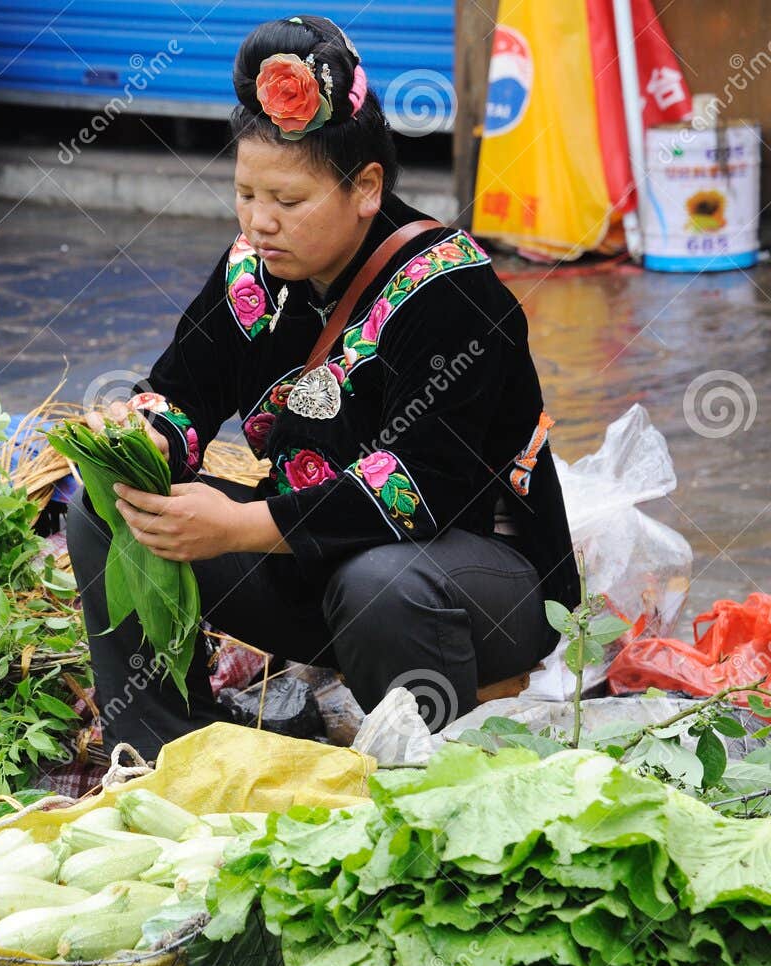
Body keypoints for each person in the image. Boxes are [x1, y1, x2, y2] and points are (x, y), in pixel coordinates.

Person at [68, 14, 577, 756]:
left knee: (381, 580)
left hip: (471, 588)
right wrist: (145, 436)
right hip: (317, 570)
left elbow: (415, 489)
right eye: (245, 194)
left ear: (366, 187)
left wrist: (238, 526)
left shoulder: (453, 295)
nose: (260, 222)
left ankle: (423, 769)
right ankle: (164, 748)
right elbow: (182, 389)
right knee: (107, 506)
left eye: (288, 201)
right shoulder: (253, 270)